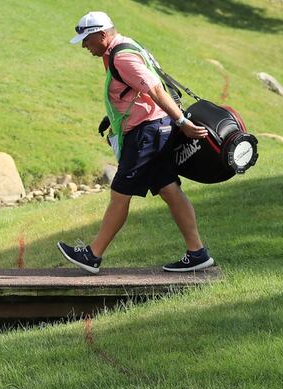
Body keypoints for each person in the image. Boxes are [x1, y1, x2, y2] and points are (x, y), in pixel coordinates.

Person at [57, 11, 215, 274]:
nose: (85, 46)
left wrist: (183, 123)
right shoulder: (123, 47)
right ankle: (197, 252)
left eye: (87, 40)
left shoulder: (123, 56)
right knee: (168, 189)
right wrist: (113, 115)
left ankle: (92, 256)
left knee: (120, 193)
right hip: (155, 128)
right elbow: (134, 90)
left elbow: (154, 89)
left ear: (102, 35)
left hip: (147, 134)